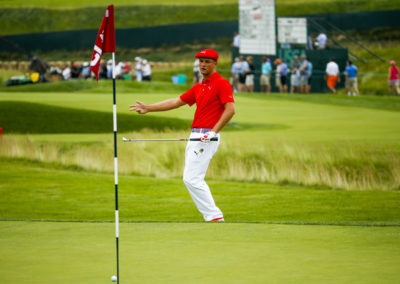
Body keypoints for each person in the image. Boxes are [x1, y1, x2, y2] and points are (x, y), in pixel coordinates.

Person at [129, 49, 235, 222]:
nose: (203, 64)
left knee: (192, 178)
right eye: (201, 61)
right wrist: (149, 108)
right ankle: (213, 216)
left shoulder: (221, 83)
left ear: (215, 63)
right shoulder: (199, 86)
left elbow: (230, 110)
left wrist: (213, 132)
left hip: (206, 136)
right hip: (195, 135)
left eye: (207, 61)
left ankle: (214, 216)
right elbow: (176, 102)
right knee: (190, 178)